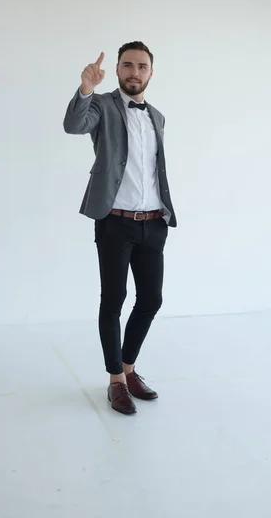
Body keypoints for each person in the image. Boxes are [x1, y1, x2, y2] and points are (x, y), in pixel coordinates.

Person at [63, 41, 177, 415]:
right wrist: (85, 89)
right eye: (127, 65)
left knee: (151, 300)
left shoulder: (156, 116)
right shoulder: (103, 106)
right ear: (116, 69)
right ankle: (115, 381)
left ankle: (129, 370)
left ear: (150, 72)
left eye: (142, 66)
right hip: (114, 222)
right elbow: (74, 125)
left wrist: (161, 213)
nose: (134, 72)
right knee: (113, 300)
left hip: (152, 222)